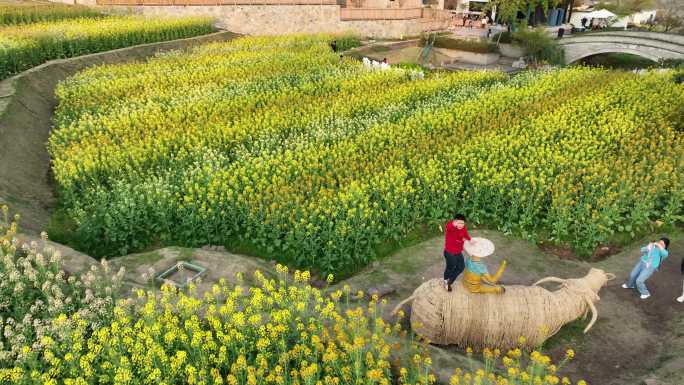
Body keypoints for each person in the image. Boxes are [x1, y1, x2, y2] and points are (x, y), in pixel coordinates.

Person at [443, 214, 472, 292]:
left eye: (462, 223)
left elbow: (465, 233)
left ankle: (450, 280)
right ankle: (446, 281)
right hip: (450, 253)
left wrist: (470, 240)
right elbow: (448, 227)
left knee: (461, 267)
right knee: (450, 267)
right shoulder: (451, 226)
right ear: (455, 222)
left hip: (458, 251)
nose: (461, 225)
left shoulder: (463, 227)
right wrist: (453, 224)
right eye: (459, 223)